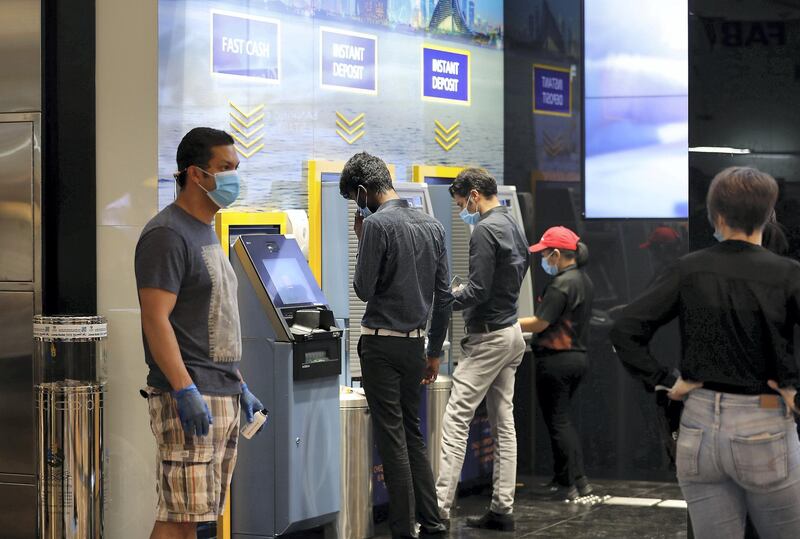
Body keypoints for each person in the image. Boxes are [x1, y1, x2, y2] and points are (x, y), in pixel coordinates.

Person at [610, 166, 800, 538]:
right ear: (767, 214)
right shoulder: (787, 274)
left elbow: (624, 329)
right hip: (764, 423)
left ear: (716, 215)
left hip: (698, 426)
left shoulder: (688, 269)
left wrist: (664, 381)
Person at [135, 127, 265, 539]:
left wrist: (238, 383)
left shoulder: (205, 230)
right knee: (178, 517)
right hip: (189, 397)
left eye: (236, 168)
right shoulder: (166, 234)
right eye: (225, 168)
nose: (234, 178)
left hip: (220, 391)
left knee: (195, 516)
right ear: (195, 174)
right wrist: (183, 389)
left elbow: (208, 320)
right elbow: (155, 318)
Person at [341, 152, 451, 539]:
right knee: (413, 433)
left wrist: (361, 240)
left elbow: (364, 288)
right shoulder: (433, 226)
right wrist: (434, 351)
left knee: (392, 439)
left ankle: (403, 530)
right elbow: (444, 296)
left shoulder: (376, 226)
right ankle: (433, 523)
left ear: (361, 192)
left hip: (381, 347)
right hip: (415, 347)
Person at [435, 168, 529, 532]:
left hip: (489, 338)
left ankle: (439, 511)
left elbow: (477, 289)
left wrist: (443, 298)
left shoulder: (485, 230)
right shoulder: (510, 221)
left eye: (461, 203)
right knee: (504, 423)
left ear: (474, 195)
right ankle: (502, 508)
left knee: (456, 417)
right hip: (511, 331)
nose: (463, 210)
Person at [518, 226, 594, 500]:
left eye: (545, 254)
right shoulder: (582, 279)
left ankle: (571, 484)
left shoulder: (562, 284)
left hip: (556, 360)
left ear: (557, 254)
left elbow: (540, 322)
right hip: (577, 358)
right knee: (563, 420)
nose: (544, 260)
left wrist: (505, 324)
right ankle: (570, 479)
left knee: (558, 421)